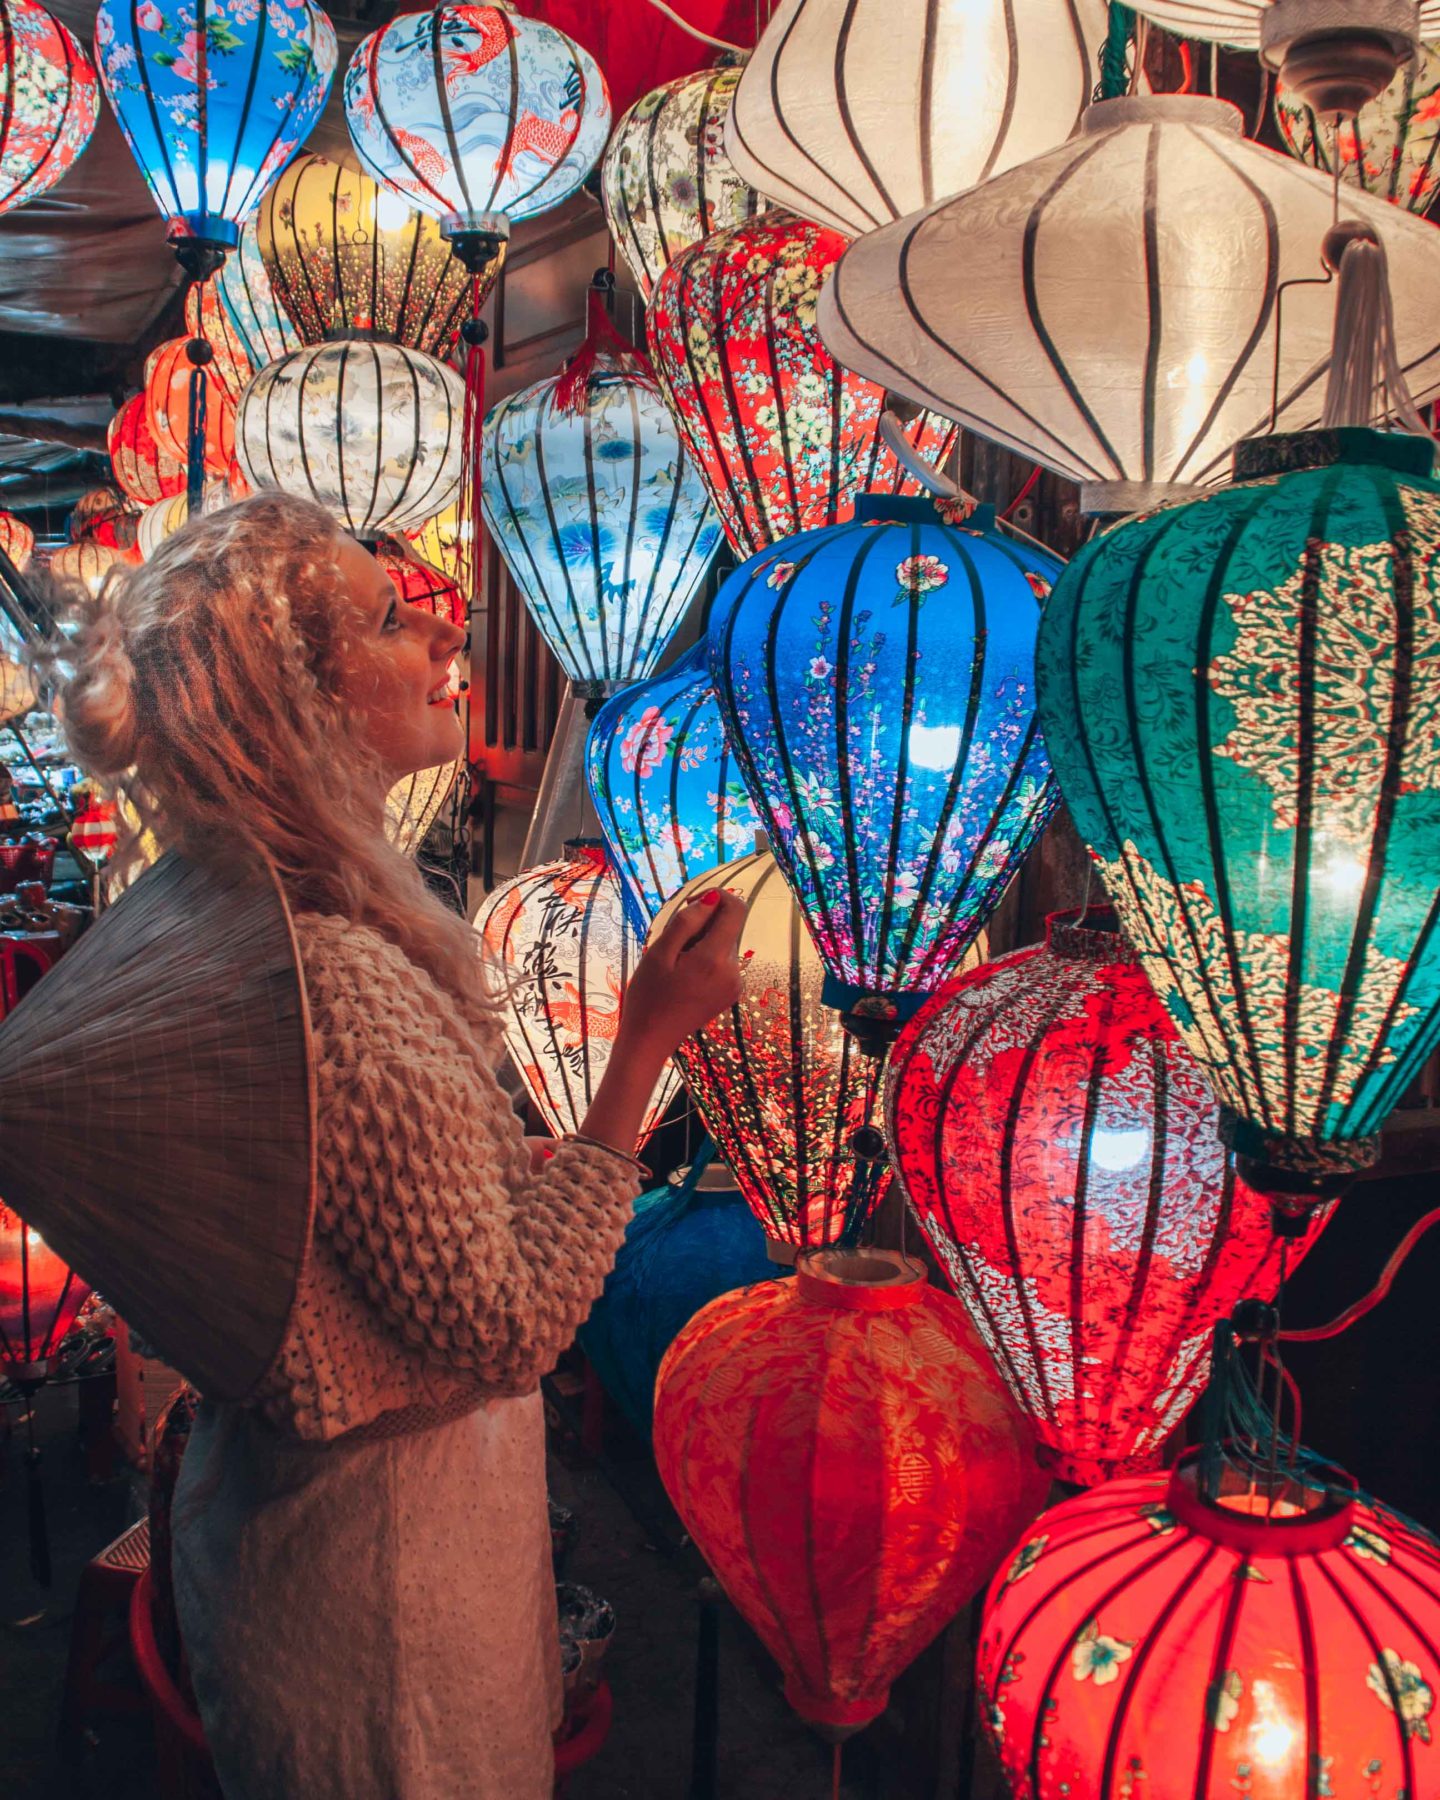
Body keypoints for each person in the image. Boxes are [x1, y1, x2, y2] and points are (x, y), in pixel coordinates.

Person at [56, 491, 745, 1800]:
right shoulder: (337, 982)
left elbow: (345, 1227)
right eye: (385, 619)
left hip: (297, 1537)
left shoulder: (250, 914)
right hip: (382, 1611)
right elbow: (501, 1328)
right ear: (296, 702)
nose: (441, 630)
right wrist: (646, 1042)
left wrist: (498, 1181)